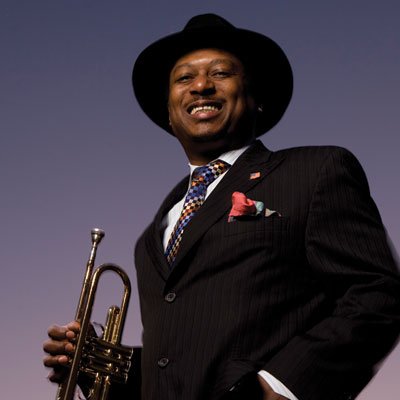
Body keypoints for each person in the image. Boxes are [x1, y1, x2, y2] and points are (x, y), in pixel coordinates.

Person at [43, 14, 400, 400]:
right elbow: (176, 367)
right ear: (169, 112)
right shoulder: (152, 237)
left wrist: (277, 388)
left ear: (256, 99)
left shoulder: (315, 171)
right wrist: (102, 367)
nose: (200, 85)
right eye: (184, 78)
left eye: (221, 73)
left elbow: (379, 295)